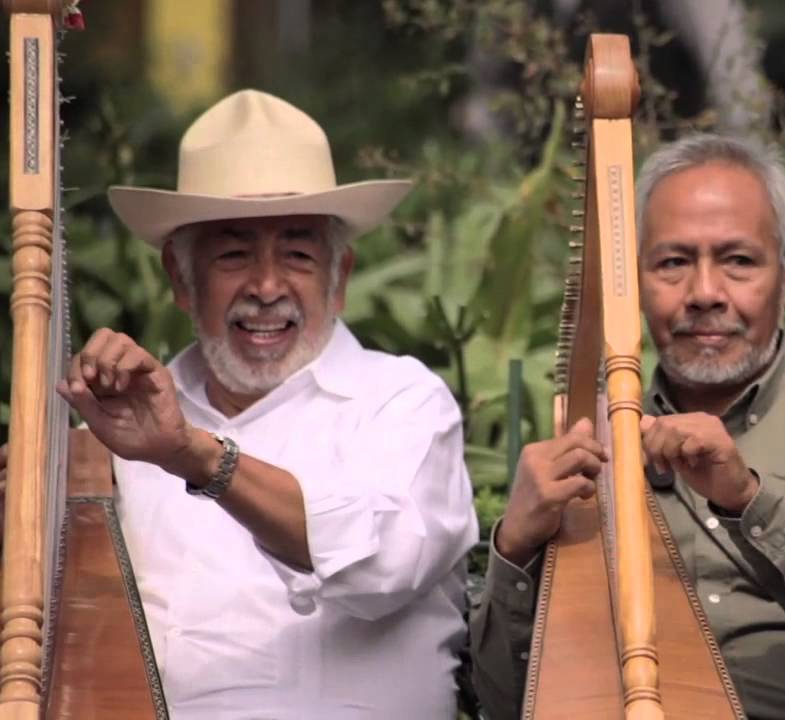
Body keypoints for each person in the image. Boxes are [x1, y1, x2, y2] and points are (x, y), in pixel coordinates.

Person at [2, 89, 480, 718]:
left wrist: (197, 458)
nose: (265, 286)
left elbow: (385, 564)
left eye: (298, 254)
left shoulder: (402, 402)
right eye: (232, 255)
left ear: (338, 279)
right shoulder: (111, 450)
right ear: (181, 278)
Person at [470, 133, 785, 719]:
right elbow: (506, 703)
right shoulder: (587, 443)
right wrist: (516, 545)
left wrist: (749, 501)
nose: (704, 293)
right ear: (630, 280)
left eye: (737, 261)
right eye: (673, 263)